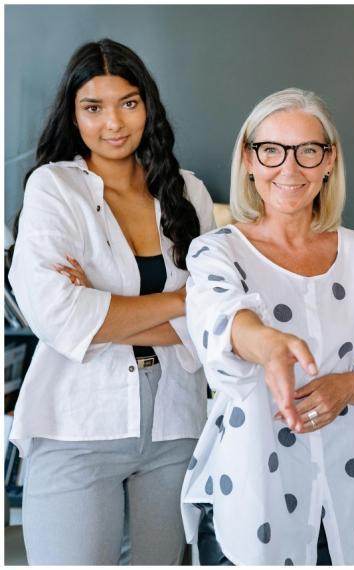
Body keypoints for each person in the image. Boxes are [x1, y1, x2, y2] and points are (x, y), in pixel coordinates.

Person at [178, 88, 354, 566]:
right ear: (248, 158)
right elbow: (223, 320)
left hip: (350, 501)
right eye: (271, 150)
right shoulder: (217, 251)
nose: (289, 169)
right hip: (251, 501)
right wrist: (269, 345)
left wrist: (352, 385)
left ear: (329, 162)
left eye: (308, 151)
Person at [8, 39, 216, 564]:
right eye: (93, 107)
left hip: (175, 422)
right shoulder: (54, 189)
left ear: (148, 105)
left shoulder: (188, 194)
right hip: (77, 421)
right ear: (73, 116)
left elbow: (215, 319)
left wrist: (103, 309)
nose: (114, 123)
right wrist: (181, 301)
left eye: (128, 102)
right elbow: (59, 316)